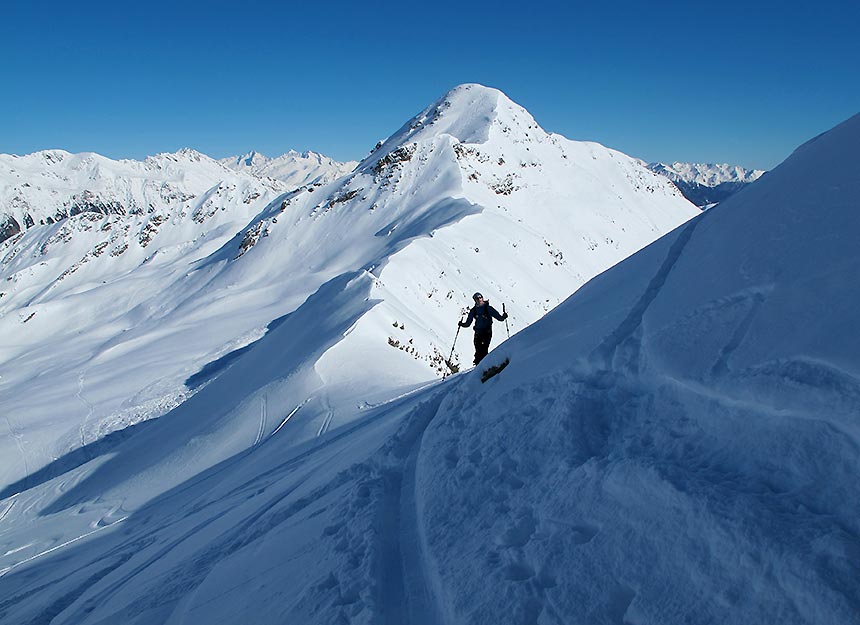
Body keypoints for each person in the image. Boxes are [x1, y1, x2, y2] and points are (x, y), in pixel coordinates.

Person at [459, 292, 507, 365]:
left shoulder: (488, 308)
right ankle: (480, 366)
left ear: (482, 298)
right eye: (477, 298)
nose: (479, 299)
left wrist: (503, 317)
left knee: (484, 349)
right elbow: (468, 323)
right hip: (478, 332)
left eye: (480, 298)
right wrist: (462, 324)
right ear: (475, 300)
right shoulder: (474, 310)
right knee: (478, 348)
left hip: (486, 332)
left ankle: (482, 366)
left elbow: (499, 318)